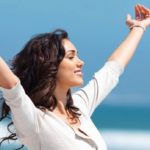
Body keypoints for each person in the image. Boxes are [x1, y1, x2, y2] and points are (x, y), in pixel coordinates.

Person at [0, 4, 150, 150]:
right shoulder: (34, 121)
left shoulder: (79, 106)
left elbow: (112, 70)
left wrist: (138, 27)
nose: (81, 62)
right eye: (71, 57)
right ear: (50, 65)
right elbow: (12, 85)